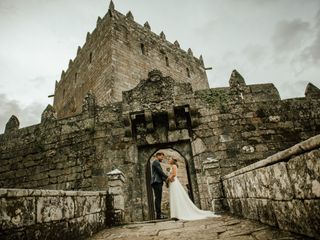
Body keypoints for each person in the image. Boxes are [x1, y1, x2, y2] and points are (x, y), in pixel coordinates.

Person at [151, 152, 170, 219]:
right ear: (157, 156)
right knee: (158, 198)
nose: (162, 158)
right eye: (162, 157)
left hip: (158, 182)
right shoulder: (156, 162)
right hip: (156, 182)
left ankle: (159, 215)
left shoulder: (157, 163)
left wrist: (165, 180)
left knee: (158, 198)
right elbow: (160, 172)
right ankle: (158, 216)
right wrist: (167, 177)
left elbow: (160, 174)